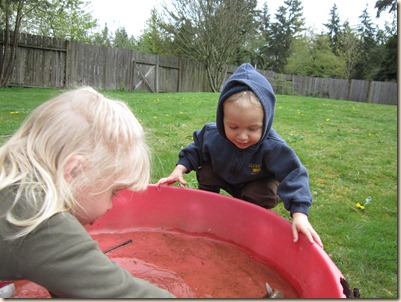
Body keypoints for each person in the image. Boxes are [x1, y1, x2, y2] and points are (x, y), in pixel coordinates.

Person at [0, 87, 175, 298]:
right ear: (74, 171)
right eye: (113, 192)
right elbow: (125, 294)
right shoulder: (39, 222)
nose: (111, 205)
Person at [157, 63, 323, 248]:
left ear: (265, 123)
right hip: (226, 176)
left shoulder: (273, 146)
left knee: (262, 192)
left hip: (255, 184)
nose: (242, 137)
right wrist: (179, 169)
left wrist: (299, 214)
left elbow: (294, 174)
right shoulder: (213, 134)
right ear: (222, 119)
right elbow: (195, 149)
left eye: (253, 129)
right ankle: (208, 204)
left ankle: (250, 217)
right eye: (233, 127)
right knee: (206, 170)